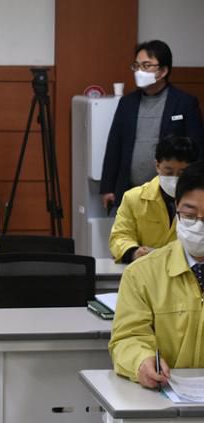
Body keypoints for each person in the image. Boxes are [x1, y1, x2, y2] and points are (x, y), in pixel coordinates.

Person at [110, 160, 204, 389]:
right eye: (190, 214)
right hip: (166, 396)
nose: (199, 226)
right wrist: (141, 361)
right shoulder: (142, 274)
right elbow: (128, 337)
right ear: (177, 209)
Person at [100, 40, 204, 209]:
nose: (139, 71)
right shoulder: (127, 103)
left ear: (163, 71)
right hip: (131, 191)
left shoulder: (184, 103)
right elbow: (114, 145)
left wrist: (196, 188)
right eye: (136, 66)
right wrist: (107, 187)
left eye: (146, 66)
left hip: (171, 192)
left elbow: (198, 148)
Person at [109, 135, 199, 263]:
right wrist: (134, 252)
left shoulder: (200, 200)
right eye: (168, 172)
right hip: (146, 268)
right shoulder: (133, 198)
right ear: (157, 165)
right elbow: (120, 236)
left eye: (182, 173)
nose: (175, 178)